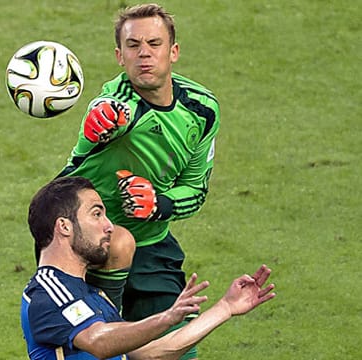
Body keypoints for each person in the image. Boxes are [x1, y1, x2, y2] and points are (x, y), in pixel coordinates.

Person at [57, 4, 221, 359]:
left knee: (179, 349)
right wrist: (100, 123)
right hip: (85, 246)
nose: (144, 53)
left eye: (154, 43)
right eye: (133, 46)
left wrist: (158, 203)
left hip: (153, 245)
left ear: (173, 52)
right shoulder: (115, 104)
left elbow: (196, 191)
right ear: (119, 56)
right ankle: (108, 317)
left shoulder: (202, 110)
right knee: (118, 246)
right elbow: (109, 111)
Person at [22, 176, 275, 359]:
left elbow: (150, 355)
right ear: (64, 226)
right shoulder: (48, 292)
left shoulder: (91, 295)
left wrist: (225, 308)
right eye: (96, 214)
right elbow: (97, 342)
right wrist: (165, 318)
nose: (109, 226)